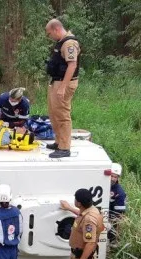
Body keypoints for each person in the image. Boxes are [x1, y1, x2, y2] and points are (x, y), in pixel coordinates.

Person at [45, 19, 81, 159]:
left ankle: (65, 148)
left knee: (62, 115)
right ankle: (59, 142)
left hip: (64, 83)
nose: (50, 37)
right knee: (54, 113)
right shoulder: (61, 42)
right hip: (57, 82)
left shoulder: (69, 43)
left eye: (49, 34)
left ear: (56, 29)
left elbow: (72, 65)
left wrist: (63, 87)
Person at [108, 163, 127, 246]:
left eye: (115, 177)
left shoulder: (119, 193)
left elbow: (119, 215)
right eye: (111, 176)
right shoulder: (102, 185)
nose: (112, 179)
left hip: (109, 221)